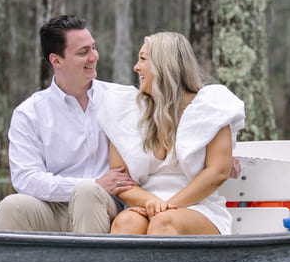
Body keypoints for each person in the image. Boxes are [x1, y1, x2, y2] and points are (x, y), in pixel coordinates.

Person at [0, 15, 139, 233]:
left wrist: (95, 188)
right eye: (83, 52)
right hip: (52, 209)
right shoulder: (29, 113)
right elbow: (25, 179)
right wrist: (92, 182)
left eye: (93, 48)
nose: (94, 57)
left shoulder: (123, 98)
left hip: (106, 206)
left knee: (88, 194)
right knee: (11, 206)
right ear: (56, 61)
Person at [97, 32, 246, 235]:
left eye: (143, 59)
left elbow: (218, 172)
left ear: (163, 64)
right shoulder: (126, 111)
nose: (136, 67)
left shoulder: (211, 107)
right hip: (145, 204)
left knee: (164, 222)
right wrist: (152, 202)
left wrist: (165, 207)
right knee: (126, 223)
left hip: (198, 206)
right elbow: (120, 180)